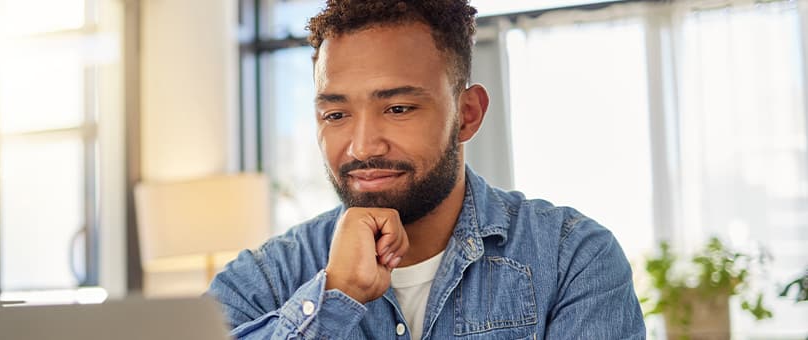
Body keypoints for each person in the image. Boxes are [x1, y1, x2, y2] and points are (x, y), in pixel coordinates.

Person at [207, 1, 646, 338]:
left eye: (398, 108)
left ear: (468, 114)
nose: (362, 146)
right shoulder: (265, 277)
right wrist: (333, 297)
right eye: (336, 115)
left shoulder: (572, 258)